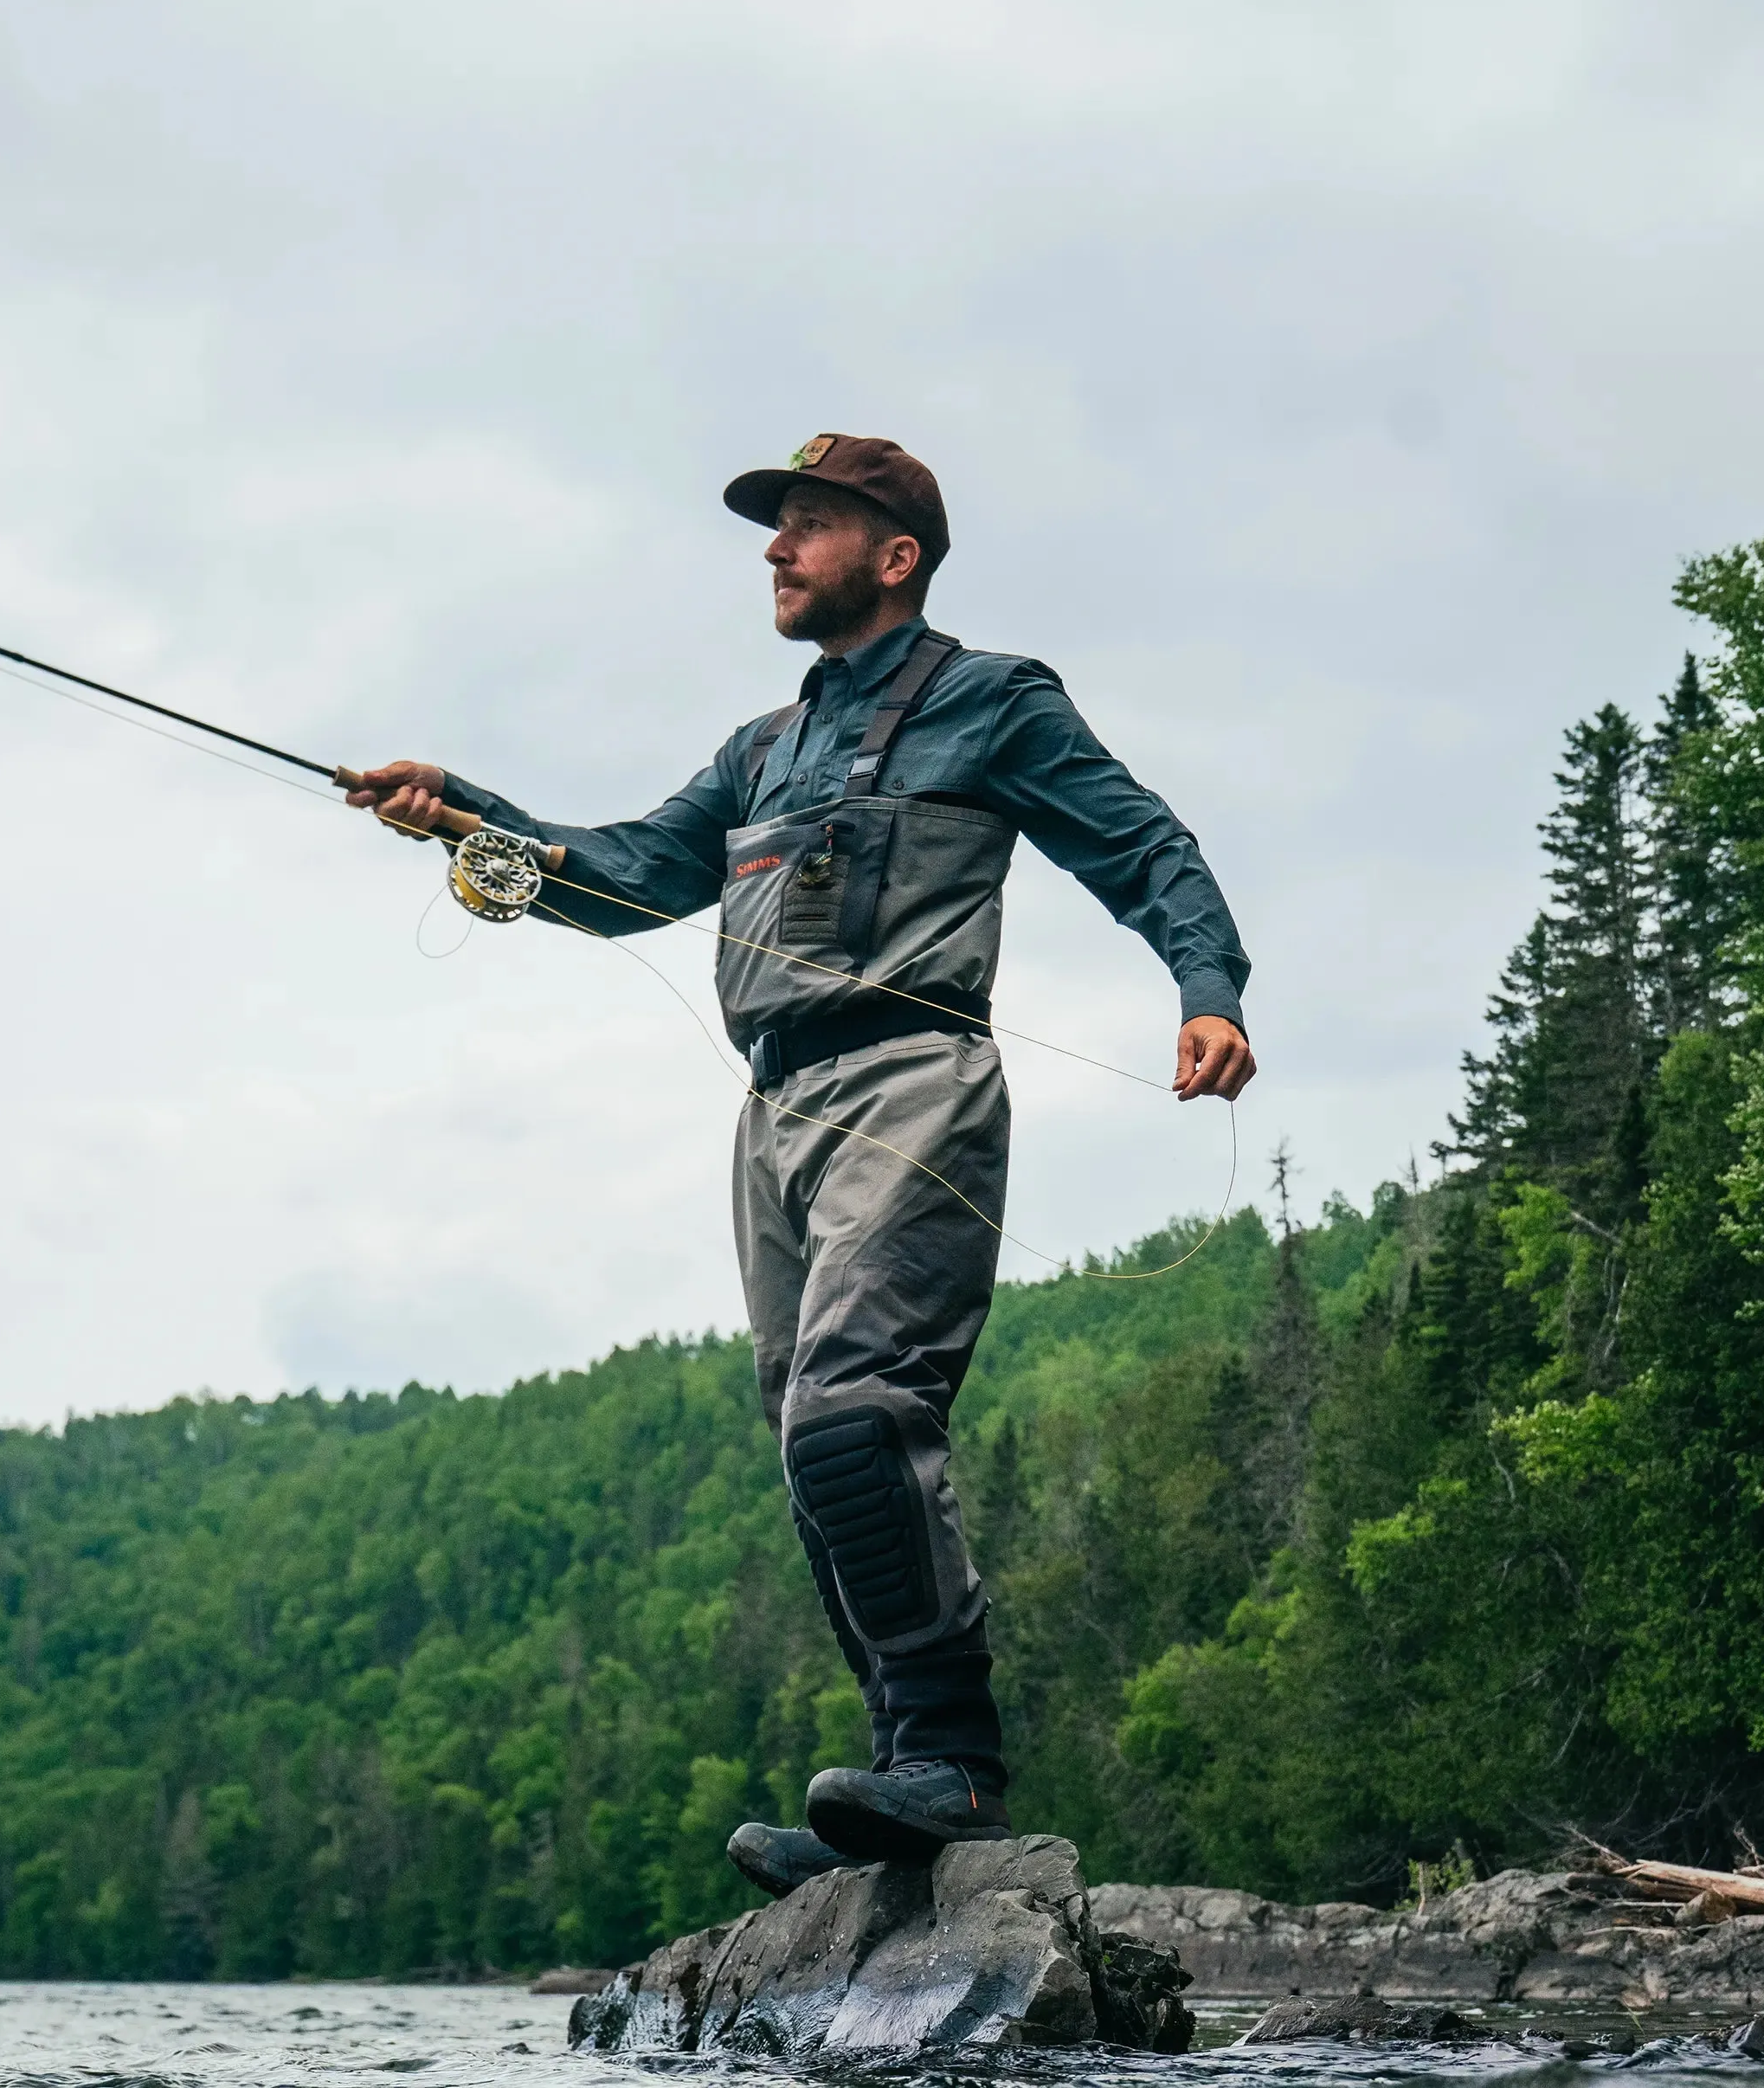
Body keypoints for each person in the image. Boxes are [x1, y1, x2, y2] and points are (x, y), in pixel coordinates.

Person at [344, 434, 1254, 1894]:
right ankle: (905, 1789)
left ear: (894, 557)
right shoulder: (761, 750)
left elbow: (1147, 848)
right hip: (772, 1119)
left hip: (911, 1082)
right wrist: (459, 812)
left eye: (809, 527)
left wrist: (1209, 991)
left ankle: (953, 1767)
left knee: (853, 1415)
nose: (774, 550)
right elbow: (629, 875)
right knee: (811, 1453)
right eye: (776, 530)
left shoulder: (992, 702)